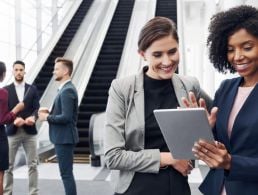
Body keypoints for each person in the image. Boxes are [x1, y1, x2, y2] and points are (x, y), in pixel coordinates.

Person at [104, 16, 212, 195]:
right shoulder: (122, 88)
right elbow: (113, 156)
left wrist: (204, 129)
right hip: (134, 187)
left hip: (177, 187)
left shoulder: (189, 85)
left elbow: (214, 126)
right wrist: (170, 158)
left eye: (172, 51)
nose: (167, 61)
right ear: (142, 54)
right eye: (157, 54)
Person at [191, 5, 258, 195]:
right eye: (230, 50)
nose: (237, 56)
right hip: (218, 188)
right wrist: (204, 128)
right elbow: (224, 142)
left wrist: (231, 162)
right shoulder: (226, 89)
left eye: (247, 47)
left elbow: (232, 157)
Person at [38, 57, 78, 195]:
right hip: (63, 137)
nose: (53, 72)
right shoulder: (64, 89)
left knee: (66, 174)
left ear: (66, 71)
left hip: (64, 138)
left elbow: (66, 118)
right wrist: (50, 112)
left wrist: (46, 117)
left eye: (56, 69)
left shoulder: (67, 90)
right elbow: (65, 114)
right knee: (66, 173)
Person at [3, 60, 40, 195]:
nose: (19, 72)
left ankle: (33, 192)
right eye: (16, 70)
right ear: (13, 72)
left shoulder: (32, 89)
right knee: (8, 166)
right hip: (12, 132)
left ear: (25, 71)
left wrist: (33, 117)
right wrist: (13, 121)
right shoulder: (5, 90)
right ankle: (7, 193)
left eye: (21, 70)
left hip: (29, 132)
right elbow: (3, 112)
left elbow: (37, 108)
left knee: (33, 165)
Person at [0, 62, 24, 195]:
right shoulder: (3, 93)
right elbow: (3, 119)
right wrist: (16, 110)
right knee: (0, 176)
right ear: (3, 75)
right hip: (0, 137)